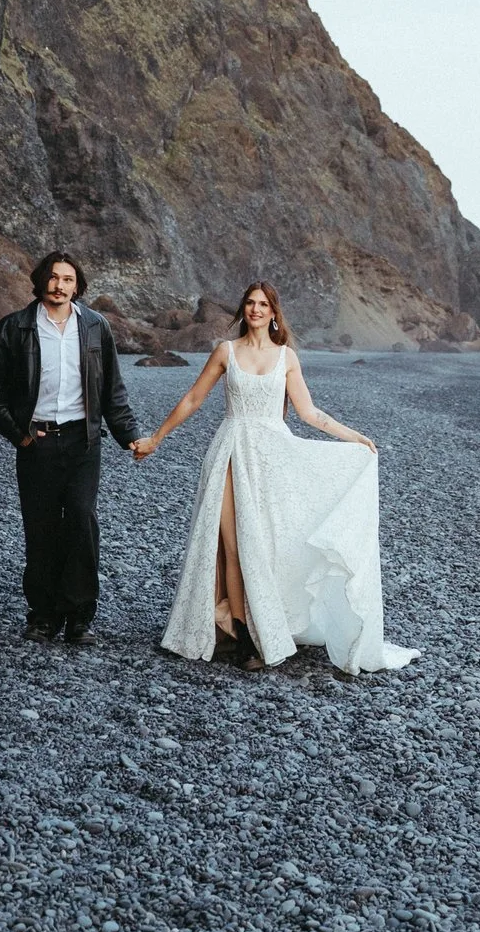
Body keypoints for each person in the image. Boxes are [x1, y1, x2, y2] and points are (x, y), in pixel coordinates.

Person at [132, 282, 417, 674]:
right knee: (232, 546)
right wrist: (156, 438)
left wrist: (354, 437)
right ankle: (244, 635)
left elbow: (309, 413)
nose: (255, 309)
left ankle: (266, 619)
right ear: (242, 309)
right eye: (249, 303)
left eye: (263, 304)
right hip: (231, 451)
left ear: (273, 312)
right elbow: (193, 399)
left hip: (273, 456)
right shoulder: (226, 352)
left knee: (266, 543)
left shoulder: (286, 358)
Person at [0, 252, 138, 644]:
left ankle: (79, 617)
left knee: (82, 521)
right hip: (38, 442)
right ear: (40, 281)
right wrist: (19, 433)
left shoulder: (96, 327)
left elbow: (112, 389)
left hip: (84, 440)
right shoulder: (16, 327)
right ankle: (43, 616)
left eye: (67, 279)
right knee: (42, 526)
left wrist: (128, 435)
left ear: (77, 286)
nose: (59, 285)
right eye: (53, 277)